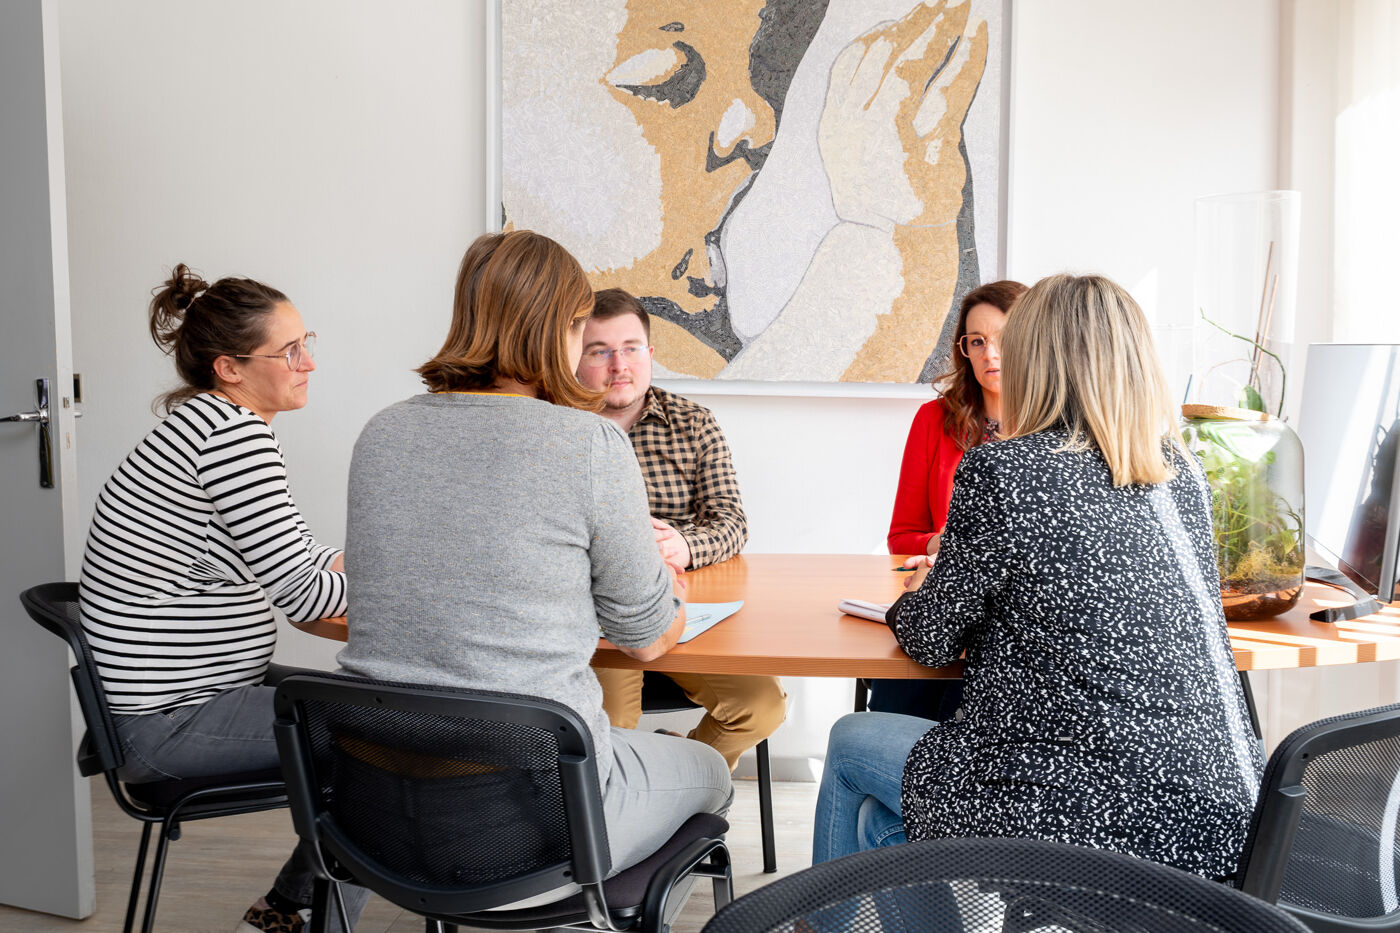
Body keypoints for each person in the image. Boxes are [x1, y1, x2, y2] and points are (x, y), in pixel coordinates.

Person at [813, 273, 1265, 879]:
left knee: (849, 742)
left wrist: (919, 595)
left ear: (1038, 359)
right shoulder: (1177, 471)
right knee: (882, 826)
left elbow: (928, 638)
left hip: (1089, 808)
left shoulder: (1005, 470)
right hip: (1224, 817)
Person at [337, 232, 733, 879]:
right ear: (563, 328)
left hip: (373, 809)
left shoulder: (381, 432)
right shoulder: (589, 443)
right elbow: (648, 638)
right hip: (536, 816)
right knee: (709, 770)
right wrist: (671, 591)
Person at [77, 265, 367, 933]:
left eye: (307, 341)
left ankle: (286, 910)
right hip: (172, 723)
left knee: (371, 709)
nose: (309, 362)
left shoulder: (208, 428)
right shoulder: (232, 440)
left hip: (188, 699)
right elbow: (303, 591)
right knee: (376, 737)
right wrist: (416, 580)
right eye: (289, 351)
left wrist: (374, 561)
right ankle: (299, 916)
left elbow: (296, 559)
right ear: (230, 368)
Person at [576, 288, 785, 771]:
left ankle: (680, 776)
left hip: (680, 609)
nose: (618, 365)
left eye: (630, 348)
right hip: (596, 621)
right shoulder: (559, 428)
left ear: (650, 354)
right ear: (575, 358)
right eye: (599, 351)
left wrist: (684, 543)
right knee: (612, 733)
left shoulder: (693, 423)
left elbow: (732, 521)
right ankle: (626, 825)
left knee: (761, 707)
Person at [870, 279, 1026, 719]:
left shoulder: (1059, 429)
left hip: (1014, 622)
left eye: (1003, 339)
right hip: (941, 599)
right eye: (976, 342)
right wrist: (944, 545)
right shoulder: (934, 420)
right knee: (893, 704)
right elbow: (901, 537)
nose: (989, 355)